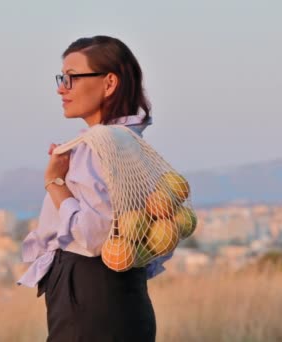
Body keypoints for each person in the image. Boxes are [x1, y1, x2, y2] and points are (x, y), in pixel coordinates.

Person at [17, 35, 173, 342]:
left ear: (109, 83)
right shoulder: (129, 141)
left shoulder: (98, 145)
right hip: (121, 294)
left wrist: (55, 183)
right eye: (62, 78)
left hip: (88, 293)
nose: (62, 88)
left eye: (72, 78)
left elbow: (94, 235)